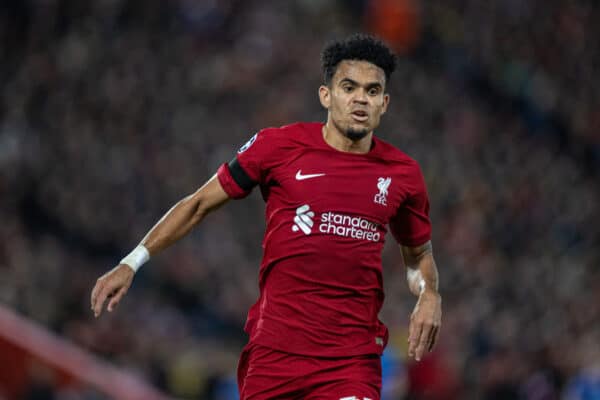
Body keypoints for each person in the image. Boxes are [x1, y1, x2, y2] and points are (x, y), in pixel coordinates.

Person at [90, 33, 442, 400]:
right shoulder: (277, 147)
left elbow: (417, 256)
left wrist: (429, 293)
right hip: (276, 355)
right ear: (326, 95)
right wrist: (132, 262)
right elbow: (198, 204)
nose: (359, 99)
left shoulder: (403, 174)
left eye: (372, 91)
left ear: (384, 103)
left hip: (349, 362)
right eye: (349, 87)